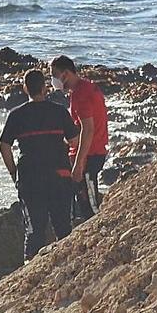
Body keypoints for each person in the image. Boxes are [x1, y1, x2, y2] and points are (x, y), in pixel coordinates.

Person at [0, 68, 76, 261]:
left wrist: (14, 173)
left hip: (30, 177)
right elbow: (75, 141)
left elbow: (4, 147)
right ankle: (67, 266)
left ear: (25, 89)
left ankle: (30, 270)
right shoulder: (59, 112)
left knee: (34, 230)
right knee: (63, 227)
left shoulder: (17, 115)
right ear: (45, 88)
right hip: (58, 175)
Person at [50, 55, 109, 221]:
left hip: (90, 154)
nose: (53, 80)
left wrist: (78, 164)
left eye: (55, 75)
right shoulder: (88, 87)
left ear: (66, 73)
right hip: (92, 151)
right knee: (82, 202)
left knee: (90, 205)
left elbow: (88, 129)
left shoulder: (80, 94)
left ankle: (99, 236)